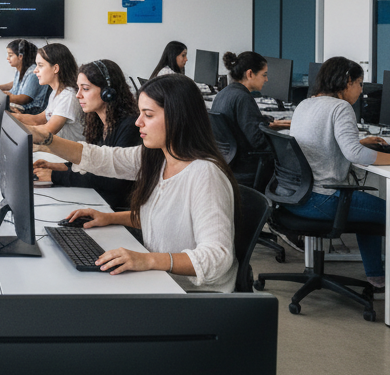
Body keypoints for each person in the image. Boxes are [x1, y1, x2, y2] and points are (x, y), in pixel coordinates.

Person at [29, 74, 239, 293]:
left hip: (195, 294)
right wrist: (109, 217)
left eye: (148, 115)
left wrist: (148, 260)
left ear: (178, 118)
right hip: (161, 279)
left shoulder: (205, 175)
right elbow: (103, 158)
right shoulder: (157, 157)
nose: (138, 122)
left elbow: (218, 257)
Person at [286, 56, 390, 307]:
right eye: (359, 83)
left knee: (370, 210)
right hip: (323, 198)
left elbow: (327, 141)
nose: (361, 90)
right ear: (346, 82)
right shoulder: (340, 108)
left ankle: (377, 279)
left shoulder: (305, 104)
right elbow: (354, 155)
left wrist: (358, 141)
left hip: (297, 196)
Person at [33, 59, 140, 210]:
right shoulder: (97, 121)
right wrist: (58, 166)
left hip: (115, 210)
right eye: (78, 88)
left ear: (107, 92)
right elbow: (93, 162)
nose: (78, 95)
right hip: (100, 201)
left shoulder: (130, 126)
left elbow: (115, 180)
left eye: (85, 89)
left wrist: (55, 176)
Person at [210, 50, 291, 186]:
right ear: (250, 74)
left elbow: (243, 125)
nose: (266, 79)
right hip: (247, 166)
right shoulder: (243, 98)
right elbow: (258, 141)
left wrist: (264, 123)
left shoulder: (223, 93)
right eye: (264, 75)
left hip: (229, 164)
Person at [10, 43, 84, 142]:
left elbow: (47, 131)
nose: (35, 70)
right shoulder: (55, 93)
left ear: (55, 68)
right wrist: (9, 117)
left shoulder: (68, 96)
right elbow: (38, 120)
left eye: (40, 65)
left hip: (66, 155)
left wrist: (12, 127)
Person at [0, 38, 40, 107]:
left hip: (27, 111)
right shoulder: (21, 69)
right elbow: (17, 83)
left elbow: (24, 99)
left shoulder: (33, 73)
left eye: (10, 55)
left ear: (20, 56)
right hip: (17, 106)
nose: (7, 58)